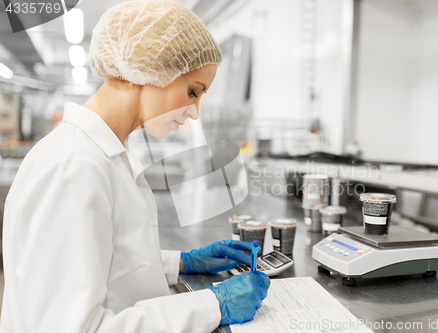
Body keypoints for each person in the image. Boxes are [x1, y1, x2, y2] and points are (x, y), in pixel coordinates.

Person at [0, 1, 270, 332]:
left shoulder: (106, 152)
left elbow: (105, 262)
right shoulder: (73, 168)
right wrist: (210, 305)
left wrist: (179, 262)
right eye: (192, 92)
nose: (194, 112)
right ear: (152, 69)